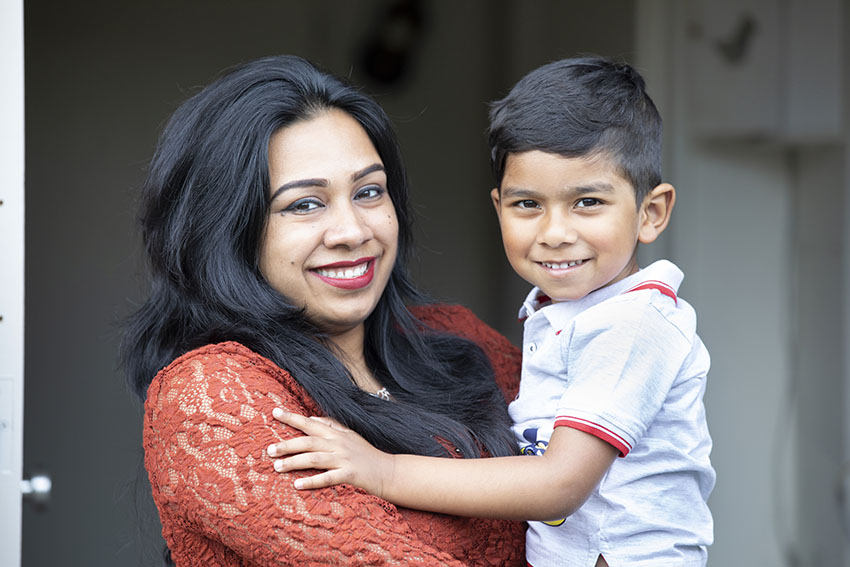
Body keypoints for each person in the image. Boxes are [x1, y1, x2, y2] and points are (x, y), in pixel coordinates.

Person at [267, 56, 716, 567]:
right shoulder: (567, 314)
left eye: (588, 202)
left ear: (650, 213)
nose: (555, 232)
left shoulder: (633, 324)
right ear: (498, 206)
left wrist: (382, 471)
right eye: (528, 205)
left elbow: (559, 485)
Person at [121, 54, 527, 567]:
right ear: (228, 230)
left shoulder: (459, 337)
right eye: (305, 204)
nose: (354, 231)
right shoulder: (213, 396)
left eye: (369, 192)